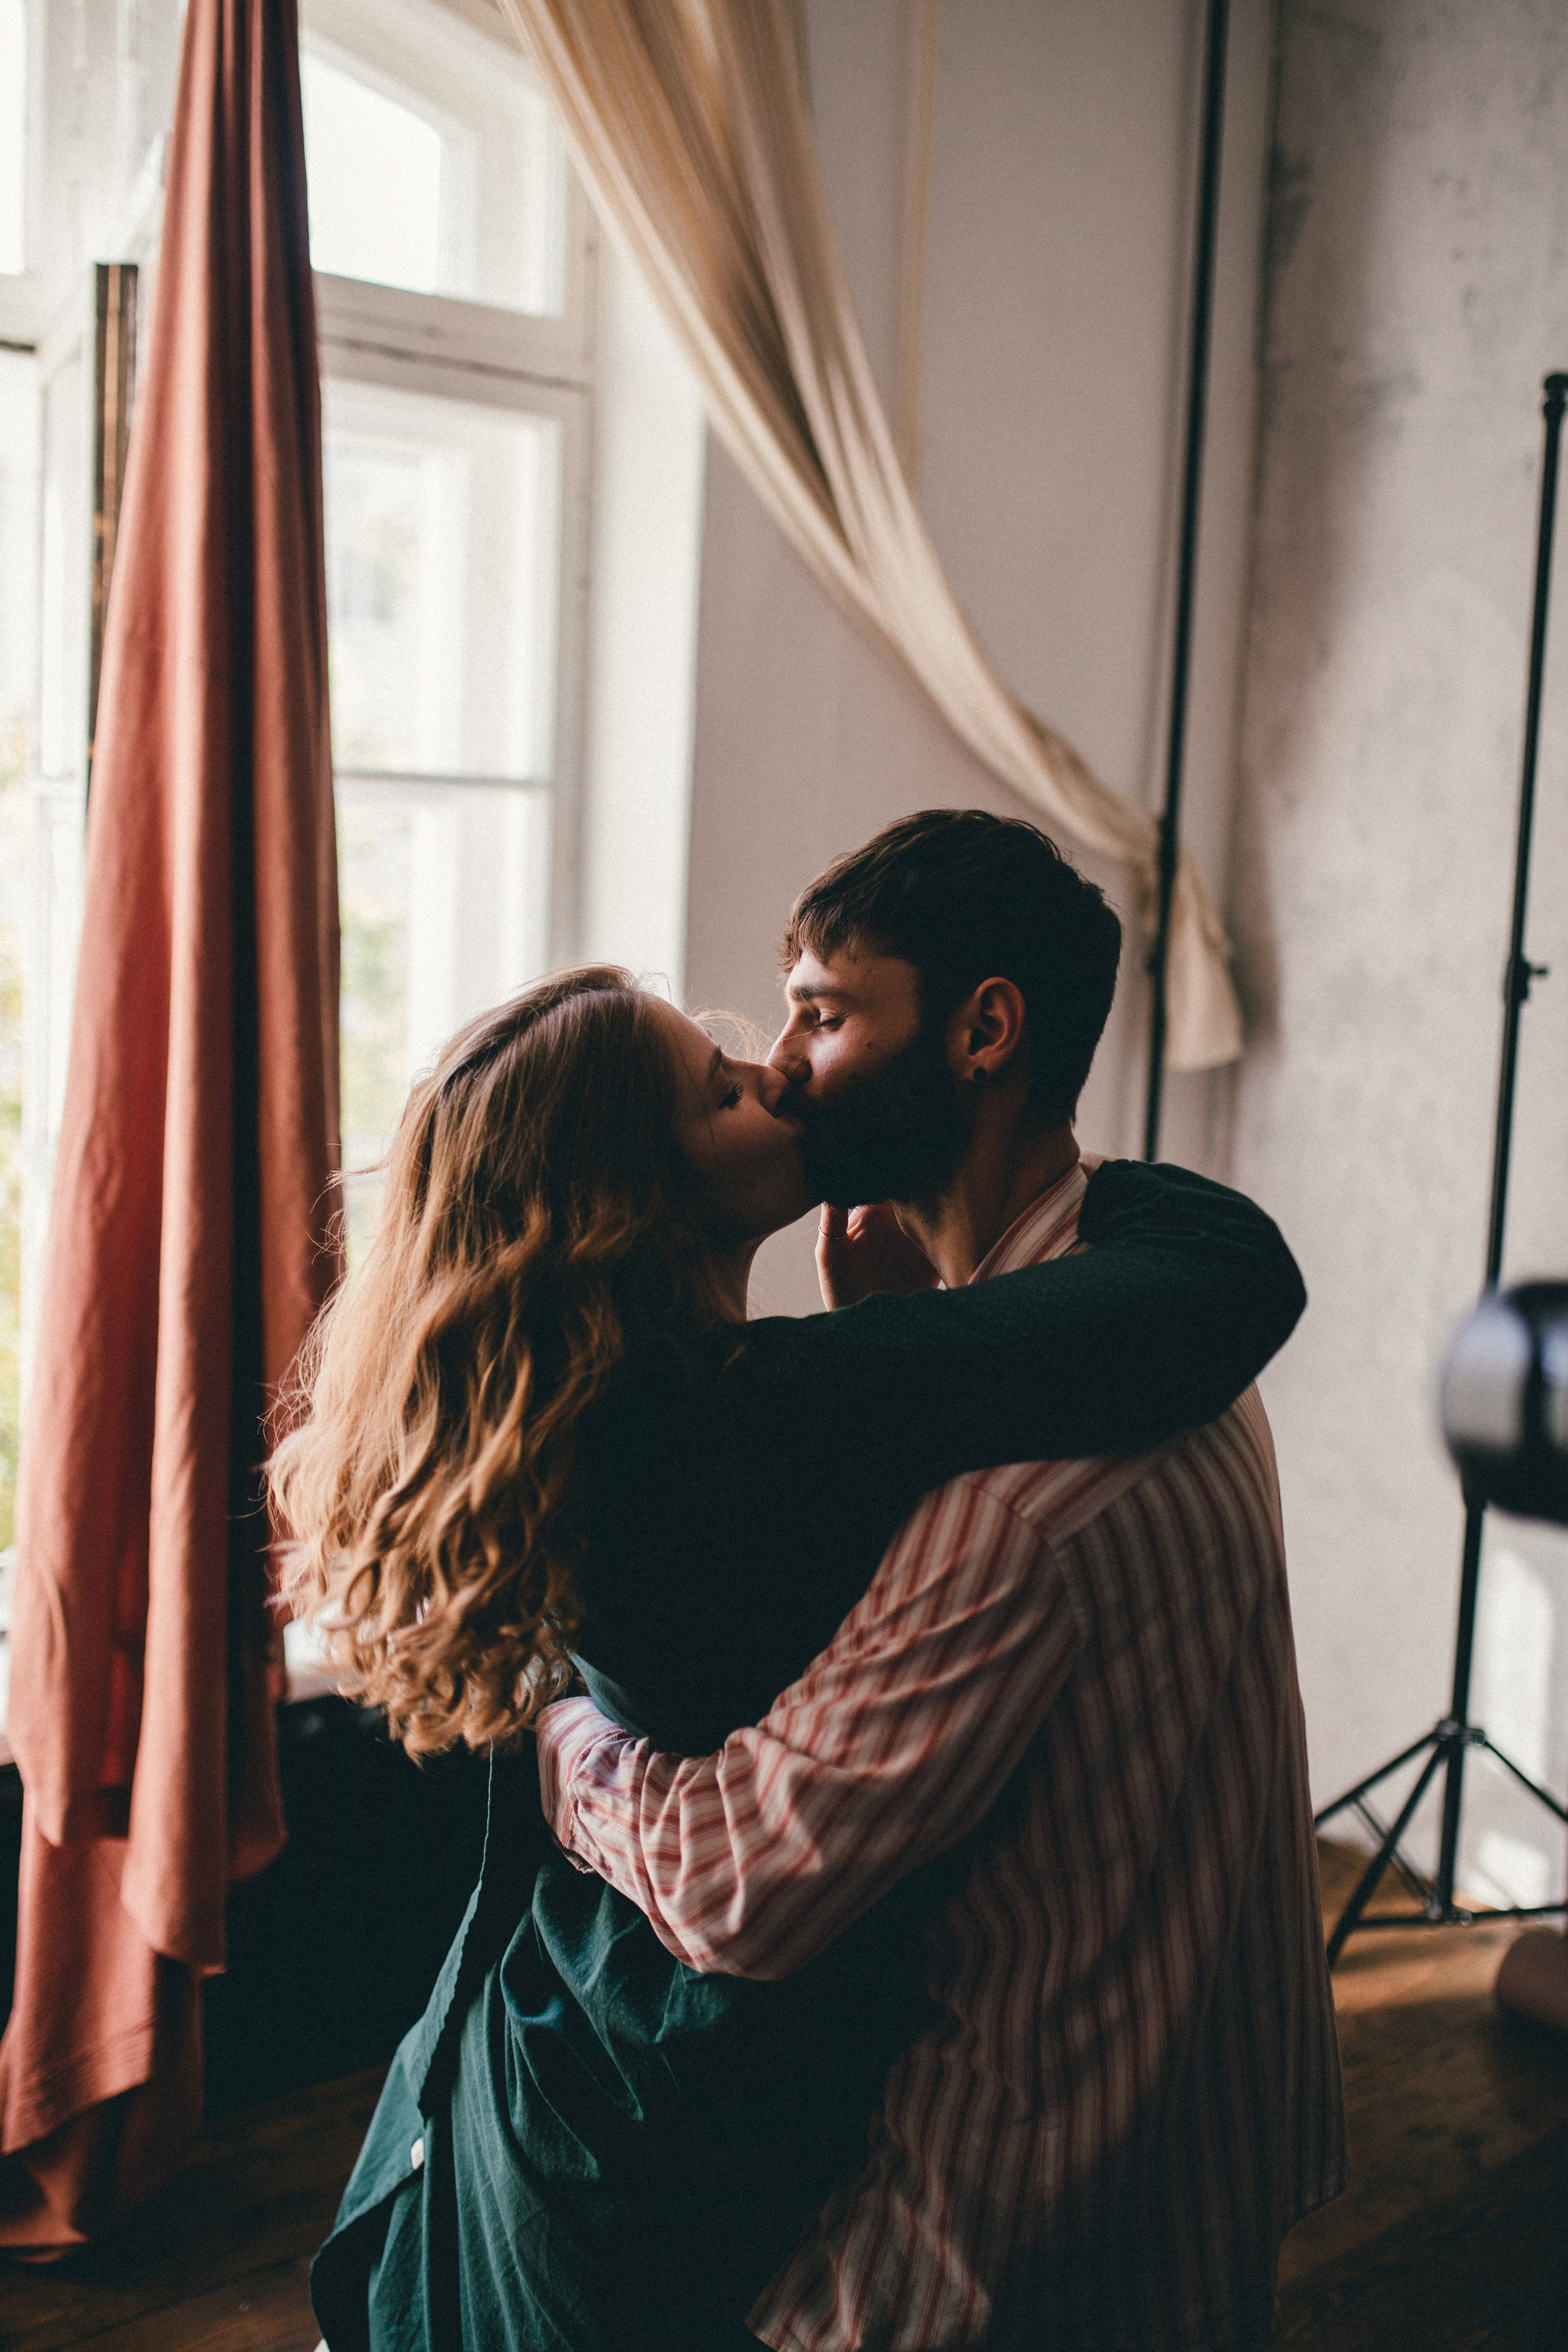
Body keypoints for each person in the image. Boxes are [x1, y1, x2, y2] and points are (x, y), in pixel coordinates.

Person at [276, 813, 1311, 2352]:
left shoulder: (825, 1426)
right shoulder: (883, 1398)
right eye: (734, 1071)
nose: (778, 1067)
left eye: (817, 1018)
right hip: (658, 2093)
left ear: (982, 1031)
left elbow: (738, 1871)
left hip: (704, 2098)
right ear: (635, 1194)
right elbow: (1219, 1267)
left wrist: (555, 1740)